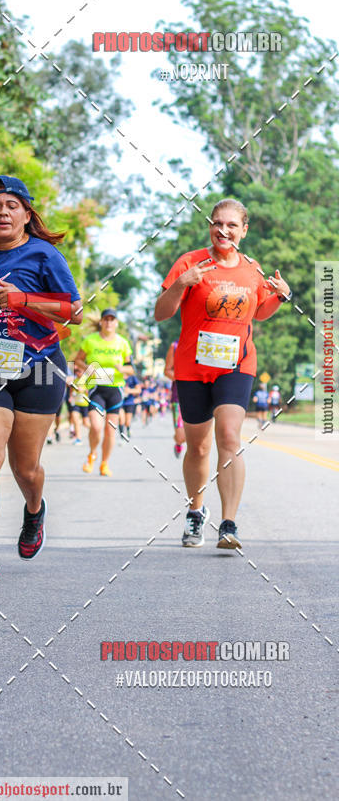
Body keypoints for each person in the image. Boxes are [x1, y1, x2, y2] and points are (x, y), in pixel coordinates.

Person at [0, 175, 83, 590]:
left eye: (12, 205)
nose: (3, 212)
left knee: (26, 469)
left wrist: (23, 299)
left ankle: (34, 509)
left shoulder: (44, 255)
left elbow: (73, 312)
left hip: (39, 369)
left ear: (26, 215)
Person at [154, 197, 291, 550]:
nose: (223, 230)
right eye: (217, 223)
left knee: (229, 437)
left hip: (236, 365)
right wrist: (181, 283)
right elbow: (160, 313)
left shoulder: (251, 268)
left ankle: (229, 523)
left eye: (231, 225)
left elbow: (259, 313)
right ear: (210, 226)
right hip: (192, 367)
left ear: (243, 231)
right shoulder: (189, 263)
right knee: (198, 447)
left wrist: (280, 296)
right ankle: (196, 511)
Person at [74, 309, 134, 476]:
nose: (108, 322)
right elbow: (78, 360)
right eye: (106, 319)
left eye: (112, 320)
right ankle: (92, 454)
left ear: (116, 323)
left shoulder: (122, 343)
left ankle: (104, 464)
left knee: (110, 430)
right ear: (101, 322)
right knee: (96, 426)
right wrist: (88, 368)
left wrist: (123, 368)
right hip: (96, 388)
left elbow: (132, 368)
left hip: (115, 389)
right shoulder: (90, 341)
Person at [164, 340, 186, 458]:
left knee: (197, 437)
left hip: (201, 396)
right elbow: (167, 371)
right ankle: (178, 442)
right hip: (178, 397)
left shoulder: (207, 341)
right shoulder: (176, 345)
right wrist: (185, 379)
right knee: (181, 436)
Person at [120, 370, 141, 439]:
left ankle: (128, 430)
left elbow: (138, 390)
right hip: (119, 401)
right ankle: (122, 436)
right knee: (121, 420)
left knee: (127, 422)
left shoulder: (132, 378)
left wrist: (129, 390)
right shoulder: (118, 375)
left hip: (129, 402)